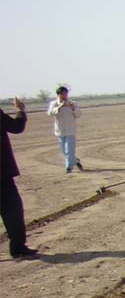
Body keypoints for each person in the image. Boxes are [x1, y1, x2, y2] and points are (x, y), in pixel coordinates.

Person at [1, 97, 38, 257]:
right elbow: (16, 127)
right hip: (2, 174)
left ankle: (18, 246)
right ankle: (17, 247)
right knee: (12, 209)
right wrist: (20, 111)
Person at [47, 85, 82, 173]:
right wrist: (59, 107)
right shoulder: (54, 104)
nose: (64, 96)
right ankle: (75, 161)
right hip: (60, 130)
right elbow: (50, 113)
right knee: (64, 151)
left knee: (69, 150)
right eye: (62, 94)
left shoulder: (73, 103)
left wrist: (73, 108)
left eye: (66, 94)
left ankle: (68, 167)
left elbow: (78, 114)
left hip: (70, 130)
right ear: (58, 95)